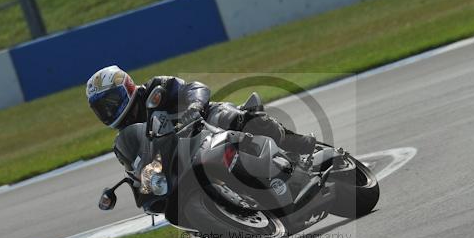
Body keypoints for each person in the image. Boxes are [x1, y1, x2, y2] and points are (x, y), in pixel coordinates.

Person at [86, 65, 316, 167]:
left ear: (125, 88)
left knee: (229, 118)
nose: (108, 111)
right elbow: (137, 167)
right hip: (184, 157)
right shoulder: (127, 136)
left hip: (207, 123)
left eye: (110, 103)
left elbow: (195, 88)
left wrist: (194, 107)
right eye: (101, 109)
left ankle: (295, 143)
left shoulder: (156, 88)